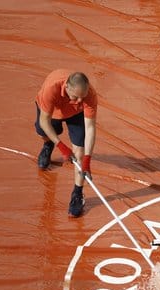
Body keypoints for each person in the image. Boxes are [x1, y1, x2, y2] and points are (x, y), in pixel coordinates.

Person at [35, 70, 97, 217]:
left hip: (76, 114)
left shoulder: (89, 96)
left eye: (83, 97)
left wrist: (87, 160)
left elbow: (90, 128)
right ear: (67, 87)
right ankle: (48, 145)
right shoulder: (51, 89)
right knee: (43, 131)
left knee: (79, 153)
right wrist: (61, 146)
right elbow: (44, 121)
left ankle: (77, 193)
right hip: (53, 113)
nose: (80, 101)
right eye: (76, 96)